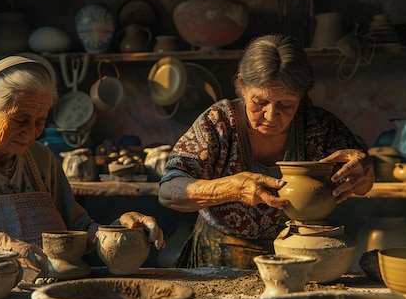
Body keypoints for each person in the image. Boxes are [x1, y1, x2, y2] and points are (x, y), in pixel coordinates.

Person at [0, 55, 165, 276]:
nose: (31, 132)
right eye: (20, 119)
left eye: (40, 120)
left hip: (42, 291)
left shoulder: (42, 159)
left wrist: (119, 227)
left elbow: (78, 232)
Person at [158, 34, 374, 269]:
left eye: (286, 104)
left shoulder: (320, 126)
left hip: (299, 256)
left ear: (301, 96)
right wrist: (232, 189)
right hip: (219, 257)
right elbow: (169, 190)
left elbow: (363, 184)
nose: (271, 116)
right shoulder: (219, 122)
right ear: (242, 85)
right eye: (260, 102)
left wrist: (365, 171)